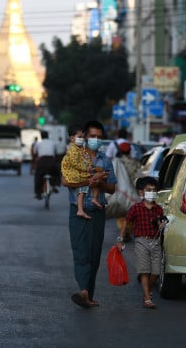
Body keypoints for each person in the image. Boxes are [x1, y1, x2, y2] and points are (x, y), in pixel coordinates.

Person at [62, 120, 117, 308]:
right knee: (80, 252)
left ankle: (88, 295)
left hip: (98, 211)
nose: (96, 139)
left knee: (94, 255)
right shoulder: (74, 155)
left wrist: (99, 184)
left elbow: (111, 188)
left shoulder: (105, 159)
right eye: (92, 136)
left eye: (99, 137)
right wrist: (88, 181)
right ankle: (83, 290)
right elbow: (65, 181)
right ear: (84, 136)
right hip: (77, 211)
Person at [116, 176, 164, 309]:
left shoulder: (158, 209)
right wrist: (120, 239)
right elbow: (126, 222)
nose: (152, 192)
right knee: (144, 270)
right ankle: (147, 298)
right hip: (141, 241)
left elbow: (159, 222)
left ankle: (147, 290)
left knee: (155, 272)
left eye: (154, 190)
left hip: (155, 242)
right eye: (149, 189)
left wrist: (161, 225)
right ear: (141, 192)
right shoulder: (135, 208)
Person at [61, 124, 101, 219]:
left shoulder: (80, 149)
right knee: (89, 181)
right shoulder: (73, 149)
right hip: (73, 173)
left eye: (83, 137)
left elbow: (85, 160)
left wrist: (89, 166)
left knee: (86, 186)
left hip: (78, 172)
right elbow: (75, 163)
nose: (82, 139)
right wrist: (86, 168)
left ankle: (89, 202)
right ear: (71, 138)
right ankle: (82, 208)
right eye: (80, 137)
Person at [115, 141, 140, 240]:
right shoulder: (134, 162)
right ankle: (127, 231)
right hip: (132, 191)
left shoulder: (117, 161)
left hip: (121, 190)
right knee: (130, 212)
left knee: (121, 212)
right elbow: (138, 176)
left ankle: (123, 231)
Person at [33, 131, 59, 199]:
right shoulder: (53, 143)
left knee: (38, 176)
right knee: (56, 172)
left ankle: (38, 193)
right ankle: (55, 185)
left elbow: (35, 153)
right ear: (48, 136)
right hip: (51, 161)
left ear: (41, 136)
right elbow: (56, 153)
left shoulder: (38, 144)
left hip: (42, 162)